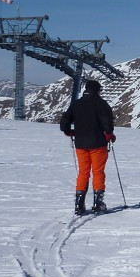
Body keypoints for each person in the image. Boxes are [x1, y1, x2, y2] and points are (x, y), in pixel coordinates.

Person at [60, 79, 115, 215]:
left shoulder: (76, 104)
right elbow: (107, 123)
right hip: (98, 143)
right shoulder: (102, 104)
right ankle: (98, 203)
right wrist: (109, 135)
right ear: (97, 90)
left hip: (80, 144)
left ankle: (79, 203)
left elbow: (64, 122)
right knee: (98, 172)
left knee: (83, 172)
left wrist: (70, 132)